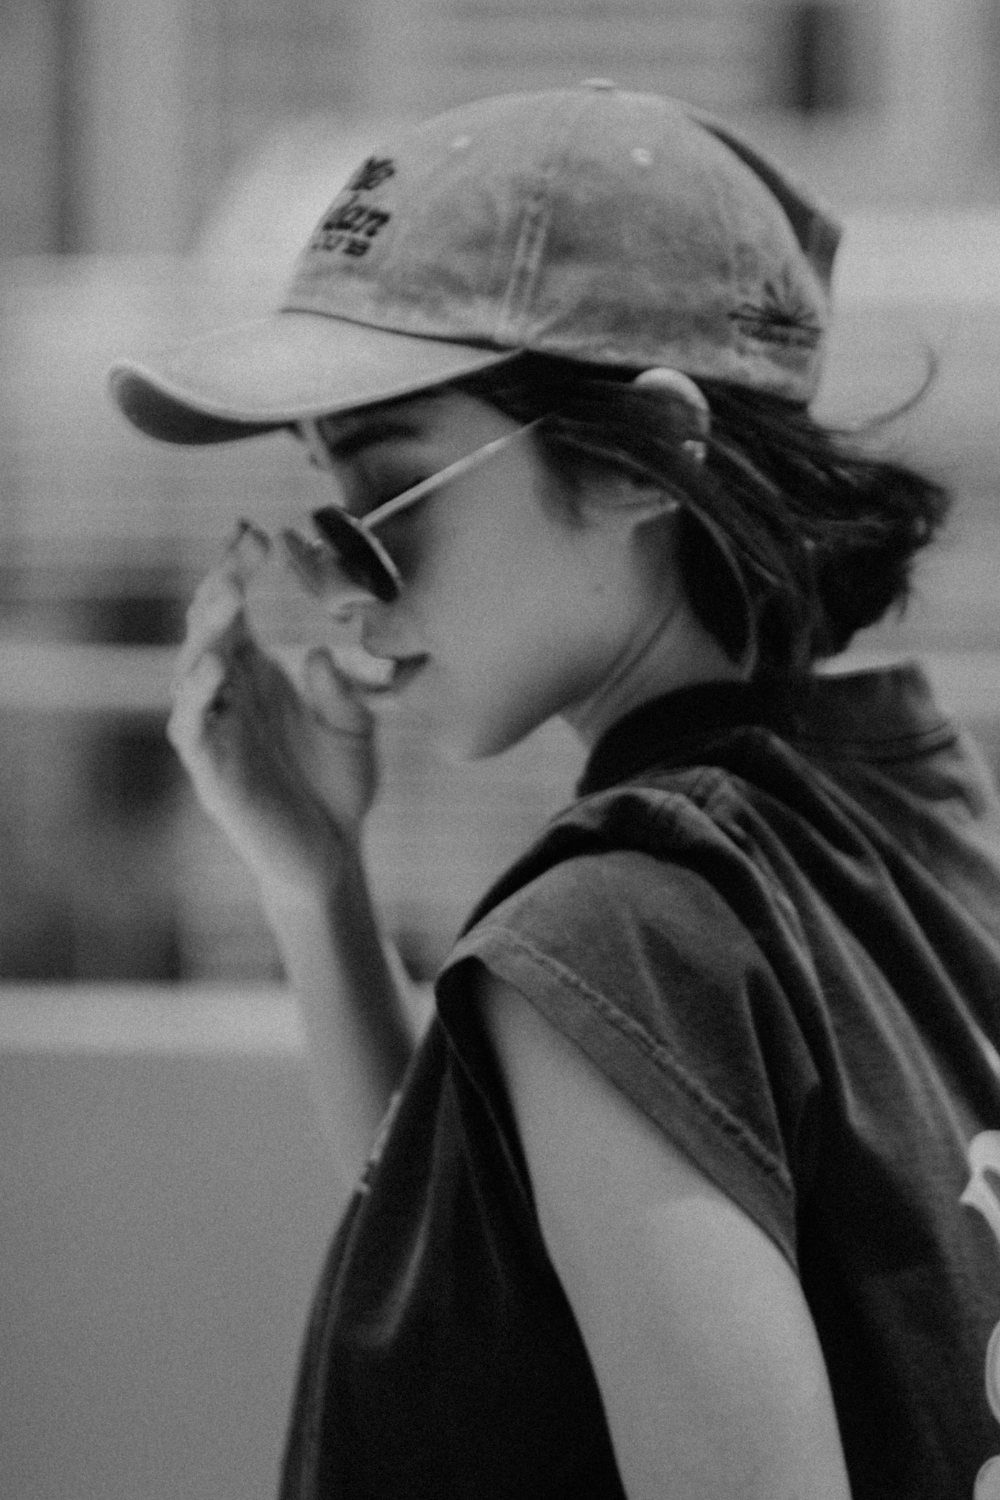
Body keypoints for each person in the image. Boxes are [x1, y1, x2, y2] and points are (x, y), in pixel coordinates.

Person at [109, 83, 1000, 1500]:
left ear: (647, 457)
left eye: (385, 501)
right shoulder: (914, 794)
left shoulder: (621, 933)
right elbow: (508, 1248)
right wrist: (318, 887)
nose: (337, 589)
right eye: (320, 509)